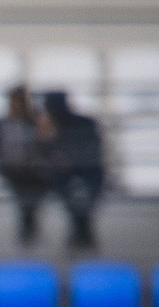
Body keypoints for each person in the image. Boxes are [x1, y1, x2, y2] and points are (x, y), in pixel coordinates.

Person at [0, 87, 56, 249]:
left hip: (33, 170)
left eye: (21, 102)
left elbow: (49, 145)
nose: (17, 106)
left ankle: (28, 221)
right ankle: (28, 222)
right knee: (24, 185)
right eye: (14, 102)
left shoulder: (37, 123)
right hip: (10, 170)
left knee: (33, 184)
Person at [41, 90, 106, 252]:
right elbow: (45, 153)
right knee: (65, 187)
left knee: (86, 190)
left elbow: (94, 150)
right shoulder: (49, 126)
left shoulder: (84, 124)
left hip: (88, 170)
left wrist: (72, 162)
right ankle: (81, 227)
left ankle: (81, 226)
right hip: (64, 173)